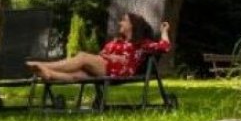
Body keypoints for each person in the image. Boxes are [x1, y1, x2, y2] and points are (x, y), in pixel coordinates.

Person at [28, 13, 171, 82]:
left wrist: (164, 31)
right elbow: (102, 54)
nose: (120, 23)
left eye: (124, 21)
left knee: (83, 57)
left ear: (132, 25)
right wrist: (108, 56)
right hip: (105, 67)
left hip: (119, 71)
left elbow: (164, 47)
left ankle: (44, 65)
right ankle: (49, 74)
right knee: (79, 74)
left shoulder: (141, 43)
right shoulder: (116, 41)